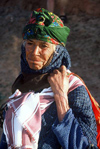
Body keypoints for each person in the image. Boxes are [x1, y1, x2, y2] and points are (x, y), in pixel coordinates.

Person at [0, 8, 98, 149]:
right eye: (30, 43)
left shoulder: (73, 89)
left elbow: (86, 146)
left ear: (58, 51)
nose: (34, 52)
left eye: (44, 46)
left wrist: (61, 98)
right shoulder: (21, 86)